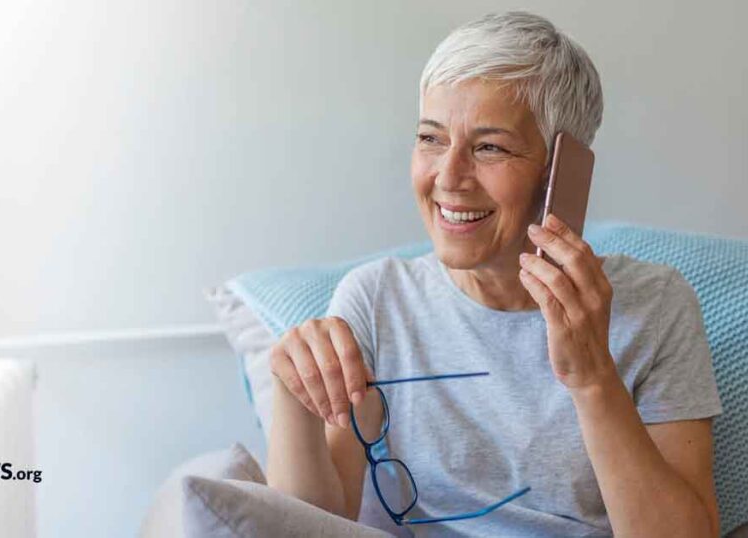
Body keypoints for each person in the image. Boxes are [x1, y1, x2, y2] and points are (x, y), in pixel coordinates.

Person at [266, 11, 723, 537]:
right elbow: (312, 525)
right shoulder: (375, 299)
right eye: (431, 138)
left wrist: (594, 380)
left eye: (490, 147)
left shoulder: (655, 306)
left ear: (561, 171)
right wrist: (292, 398)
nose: (449, 176)